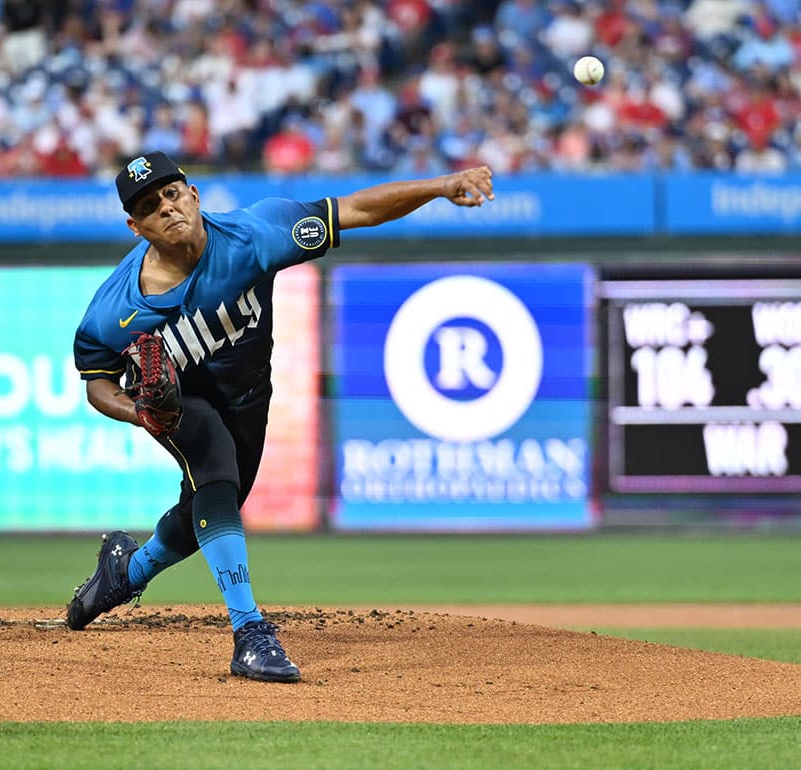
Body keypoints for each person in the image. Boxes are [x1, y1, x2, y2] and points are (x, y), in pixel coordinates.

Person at [67, 151, 494, 683]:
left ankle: (124, 571)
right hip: (181, 400)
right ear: (136, 226)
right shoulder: (114, 309)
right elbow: (97, 383)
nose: (167, 208)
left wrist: (441, 184)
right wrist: (139, 412)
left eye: (172, 193)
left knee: (206, 507)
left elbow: (355, 209)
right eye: (151, 207)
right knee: (214, 468)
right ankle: (250, 633)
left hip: (248, 395)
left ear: (193, 194)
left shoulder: (257, 234)